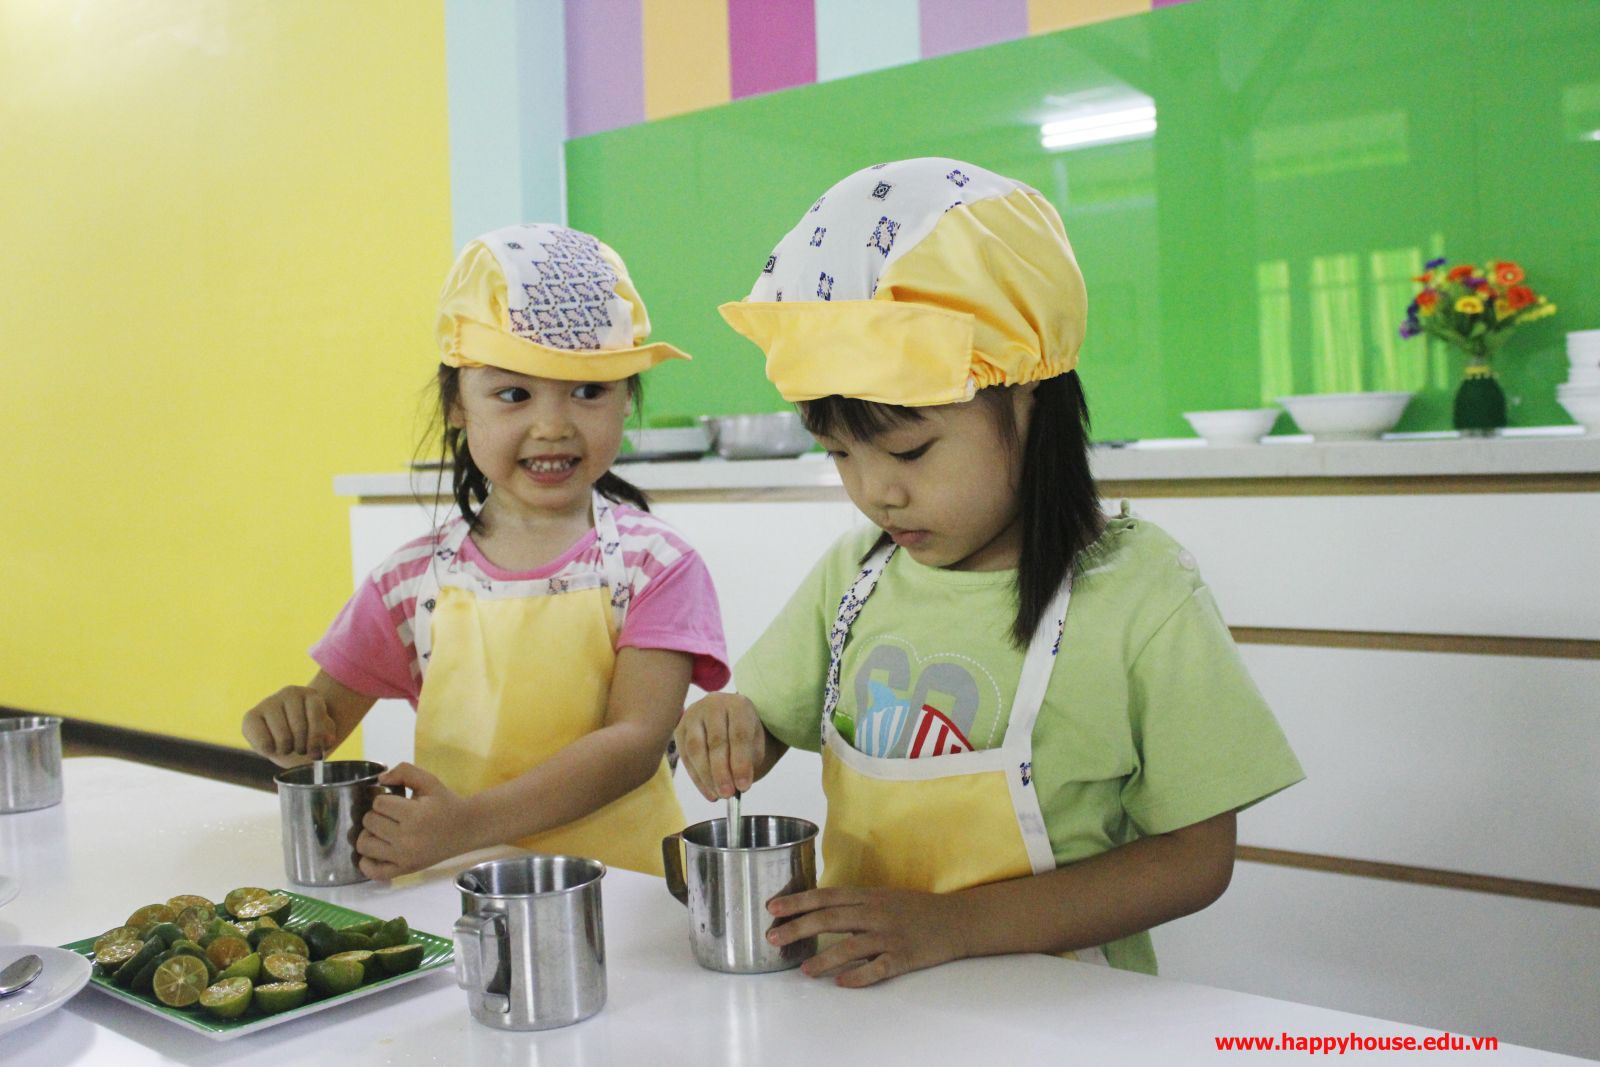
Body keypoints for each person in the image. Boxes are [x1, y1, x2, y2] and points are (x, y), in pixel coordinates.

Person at [676, 158, 1303, 987]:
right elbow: (760, 725)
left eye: (909, 450)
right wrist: (726, 730)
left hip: (1059, 1014)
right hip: (865, 1009)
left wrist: (957, 925)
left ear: (1028, 394)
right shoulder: (855, 576)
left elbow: (1196, 858)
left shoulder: (1140, 592)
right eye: (839, 454)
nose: (876, 492)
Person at [244, 223, 730, 879]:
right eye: (514, 394)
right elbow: (318, 727)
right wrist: (285, 726)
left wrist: (464, 825)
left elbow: (634, 742)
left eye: (589, 390)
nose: (552, 425)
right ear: (457, 404)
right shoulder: (412, 581)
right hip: (459, 894)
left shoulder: (656, 566)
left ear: (627, 399)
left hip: (618, 896)